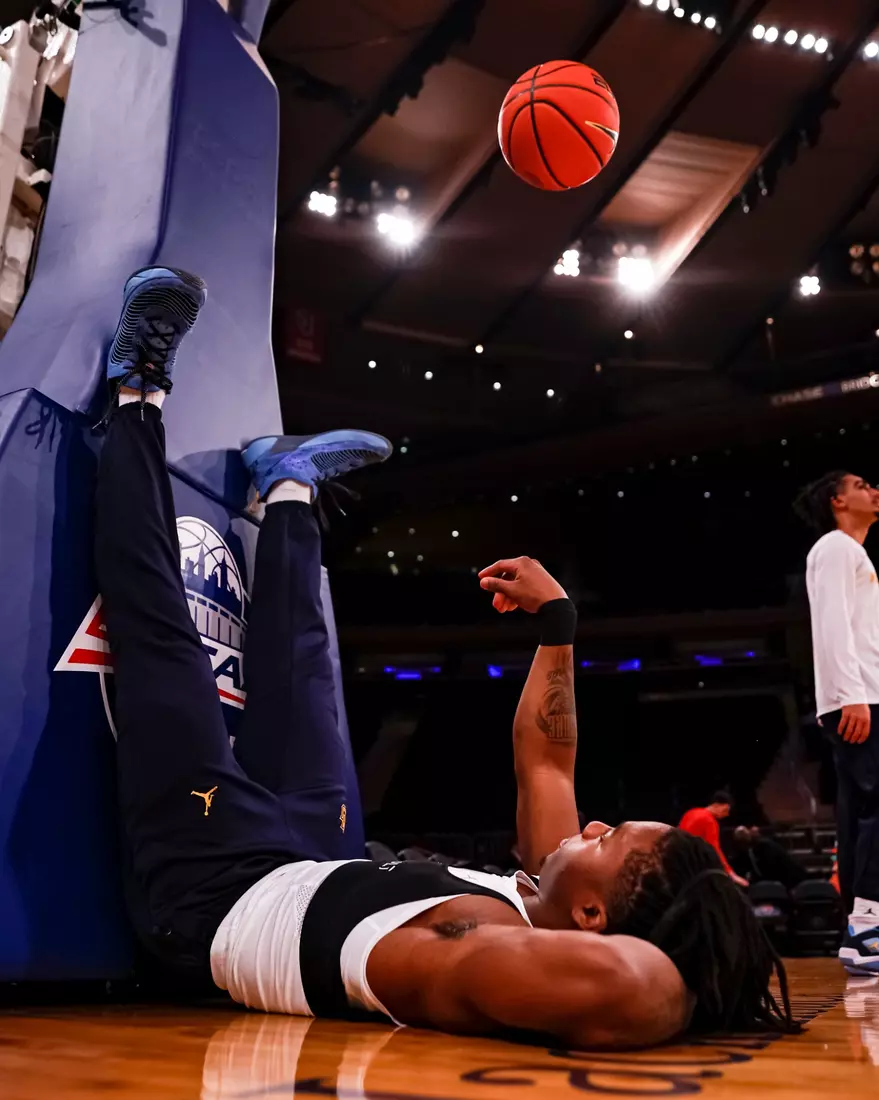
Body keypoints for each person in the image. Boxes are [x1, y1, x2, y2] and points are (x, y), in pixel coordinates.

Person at [97, 267, 794, 1049]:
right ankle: (287, 488)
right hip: (310, 852)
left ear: (592, 920)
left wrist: (700, 970)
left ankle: (136, 394)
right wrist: (560, 626)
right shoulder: (536, 887)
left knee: (163, 636)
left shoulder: (469, 951)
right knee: (308, 674)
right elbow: (548, 764)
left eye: (606, 840)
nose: (591, 822)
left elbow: (629, 989)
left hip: (216, 886)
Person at [795, 471, 879, 975]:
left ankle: (859, 927)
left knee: (858, 813)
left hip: (862, 696)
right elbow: (830, 626)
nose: (874, 490)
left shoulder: (853, 553)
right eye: (863, 484)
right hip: (860, 699)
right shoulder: (834, 546)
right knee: (876, 808)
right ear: (837, 500)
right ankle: (868, 924)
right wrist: (851, 695)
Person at [679, 792, 749, 888]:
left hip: (679, 863)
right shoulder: (710, 821)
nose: (727, 814)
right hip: (694, 868)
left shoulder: (690, 813)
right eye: (725, 810)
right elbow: (714, 849)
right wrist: (731, 874)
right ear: (716, 805)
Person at [731, 827, 808, 891]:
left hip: (789, 880)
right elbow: (740, 866)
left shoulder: (766, 847)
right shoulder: (747, 852)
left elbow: (771, 869)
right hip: (776, 882)